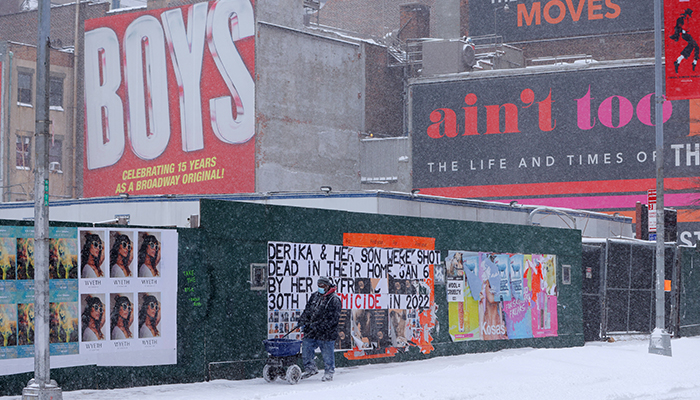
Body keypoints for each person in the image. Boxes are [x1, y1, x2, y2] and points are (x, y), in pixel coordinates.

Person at [298, 276, 341, 382]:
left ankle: (329, 372)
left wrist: (317, 326)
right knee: (306, 348)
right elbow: (308, 311)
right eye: (318, 286)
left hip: (327, 333)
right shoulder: (314, 296)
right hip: (312, 331)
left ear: (327, 286)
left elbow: (332, 320)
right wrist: (302, 321)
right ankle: (310, 369)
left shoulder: (334, 300)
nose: (320, 288)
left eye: (322, 286)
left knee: (327, 353)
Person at [670, 8, 699, 73]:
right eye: (689, 14)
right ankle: (691, 62)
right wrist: (683, 31)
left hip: (688, 34)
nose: (690, 16)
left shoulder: (687, 19)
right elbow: (677, 28)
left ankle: (680, 61)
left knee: (695, 45)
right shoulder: (681, 19)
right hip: (685, 35)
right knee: (693, 44)